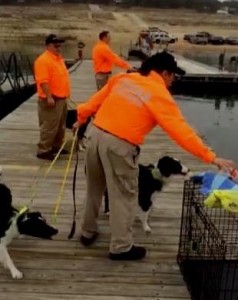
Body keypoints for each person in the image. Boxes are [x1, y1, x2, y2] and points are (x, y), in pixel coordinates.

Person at [73, 51, 235, 261]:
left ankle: (88, 232)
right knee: (123, 196)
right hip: (119, 147)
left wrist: (80, 119)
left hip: (95, 136)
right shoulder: (158, 94)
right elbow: (180, 130)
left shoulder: (123, 78)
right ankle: (121, 247)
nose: (174, 80)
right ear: (165, 73)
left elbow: (92, 103)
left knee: (95, 188)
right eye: (173, 75)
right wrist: (211, 157)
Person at [34, 34, 70, 160]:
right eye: (56, 46)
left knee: (60, 125)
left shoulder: (58, 59)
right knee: (49, 125)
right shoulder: (43, 61)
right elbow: (43, 81)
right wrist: (49, 96)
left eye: (60, 46)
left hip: (61, 98)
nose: (58, 48)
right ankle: (44, 149)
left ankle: (56, 146)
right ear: (48, 46)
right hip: (51, 99)